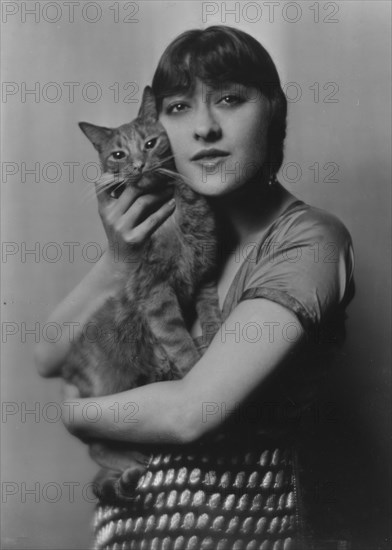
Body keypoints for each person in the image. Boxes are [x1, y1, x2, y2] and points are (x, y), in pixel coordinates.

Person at [35, 26, 355, 550]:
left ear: (272, 111)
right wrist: (119, 259)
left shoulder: (311, 240)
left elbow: (193, 413)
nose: (204, 128)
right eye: (180, 107)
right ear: (158, 125)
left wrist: (73, 414)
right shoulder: (171, 228)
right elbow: (48, 356)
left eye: (230, 99)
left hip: (248, 530)